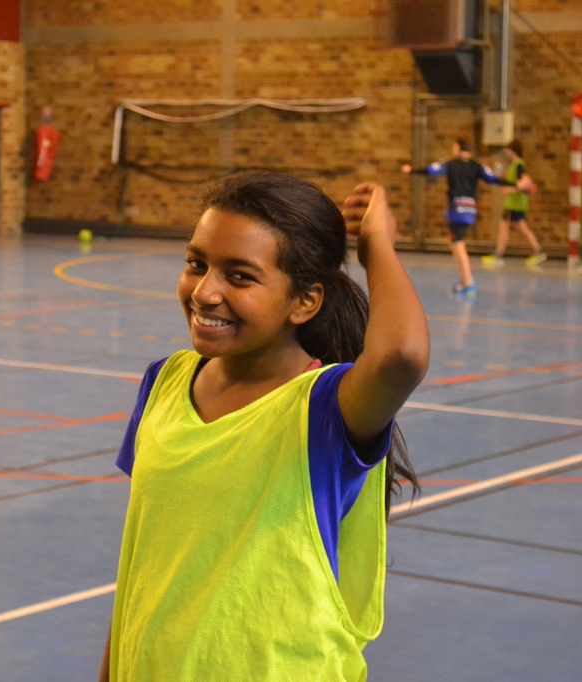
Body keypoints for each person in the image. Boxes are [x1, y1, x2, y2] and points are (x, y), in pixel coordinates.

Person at [100, 172, 430, 681]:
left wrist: (377, 245)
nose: (205, 292)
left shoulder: (325, 408)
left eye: (239, 276)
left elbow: (401, 356)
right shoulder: (163, 383)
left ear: (305, 301)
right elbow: (144, 563)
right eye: (196, 264)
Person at [403, 138, 501, 296]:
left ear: (457, 148)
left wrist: (411, 170)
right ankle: (465, 280)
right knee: (454, 241)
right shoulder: (477, 166)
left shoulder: (450, 164)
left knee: (458, 243)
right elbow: (494, 179)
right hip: (470, 208)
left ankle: (468, 282)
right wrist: (514, 184)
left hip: (456, 209)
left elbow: (431, 170)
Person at [480, 139, 547, 268]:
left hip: (514, 203)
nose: (506, 152)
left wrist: (511, 190)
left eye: (508, 150)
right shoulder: (514, 165)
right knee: (520, 227)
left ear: (513, 151)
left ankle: (499, 255)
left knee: (504, 227)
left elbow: (525, 182)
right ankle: (537, 251)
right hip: (514, 203)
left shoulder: (518, 165)